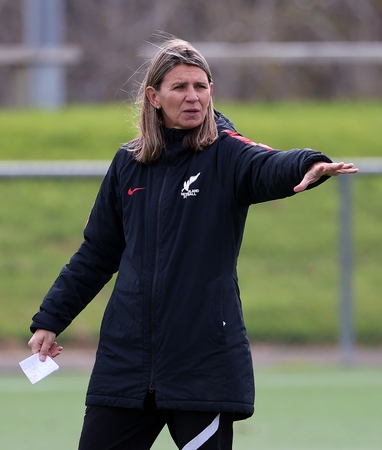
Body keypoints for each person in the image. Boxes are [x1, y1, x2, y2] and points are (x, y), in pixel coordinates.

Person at [27, 37, 358, 450]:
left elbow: (268, 162)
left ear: (211, 92)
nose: (192, 97)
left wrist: (310, 163)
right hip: (126, 364)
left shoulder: (226, 154)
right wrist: (50, 318)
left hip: (203, 364)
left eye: (201, 87)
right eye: (179, 87)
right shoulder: (128, 164)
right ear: (153, 97)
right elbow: (97, 253)